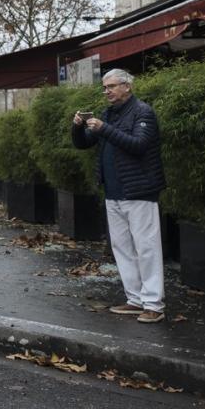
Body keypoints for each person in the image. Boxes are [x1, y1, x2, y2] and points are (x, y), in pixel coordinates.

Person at [71, 68, 167, 323]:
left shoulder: (143, 112)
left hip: (139, 191)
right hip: (113, 193)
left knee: (146, 247)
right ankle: (135, 299)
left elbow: (138, 145)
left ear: (127, 86)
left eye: (111, 86)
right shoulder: (108, 114)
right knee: (122, 248)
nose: (107, 91)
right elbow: (83, 144)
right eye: (105, 87)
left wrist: (104, 129)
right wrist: (78, 127)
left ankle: (154, 305)